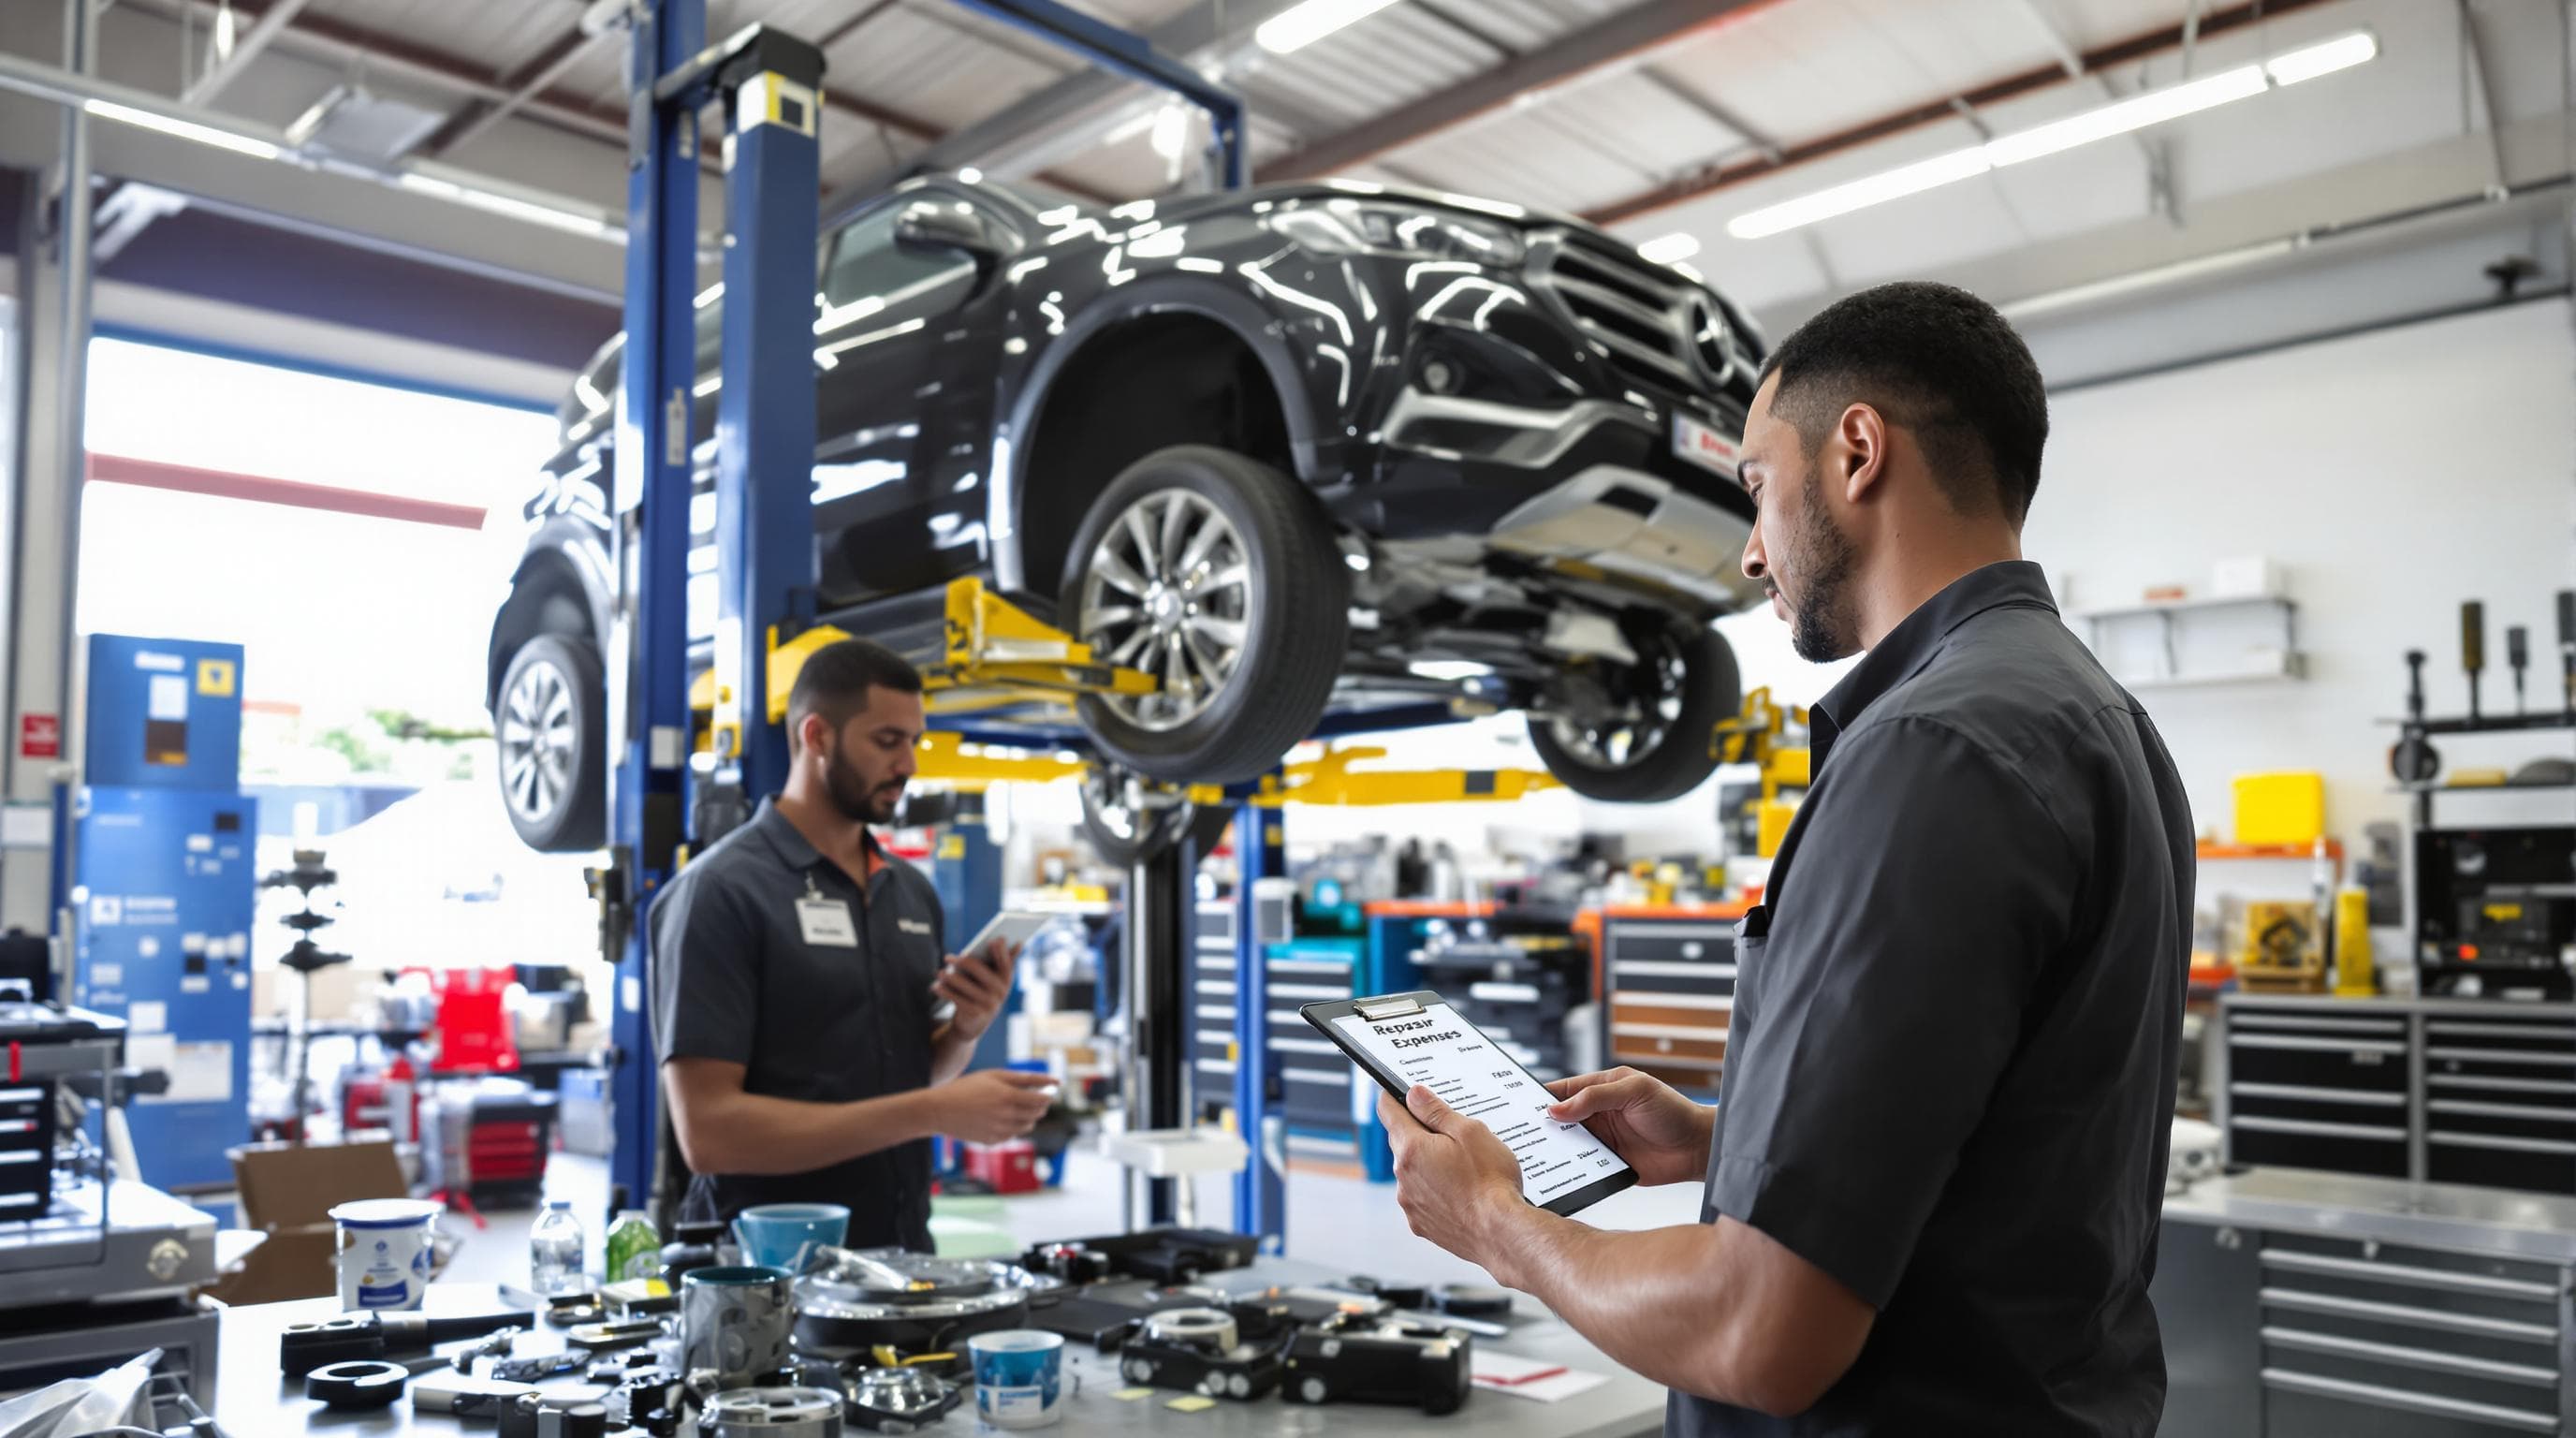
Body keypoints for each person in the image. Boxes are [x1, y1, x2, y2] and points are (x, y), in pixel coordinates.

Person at [1378, 281, 2191, 1434]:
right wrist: (1734, 1140)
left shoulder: (1928, 751)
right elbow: (2013, 1141)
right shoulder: (2094, 720)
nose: (1753, 555)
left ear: (1856, 451)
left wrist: (1500, 1227)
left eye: (1756, 487)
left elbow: (1761, 1332)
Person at [651, 637, 1056, 1248]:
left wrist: (965, 1030)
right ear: (817, 737)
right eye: (887, 741)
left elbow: (916, 1073)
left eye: (914, 742)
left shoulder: (908, 892)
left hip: (900, 1258)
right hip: (767, 1282)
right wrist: (932, 1113)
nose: (910, 764)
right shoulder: (721, 893)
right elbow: (708, 1134)